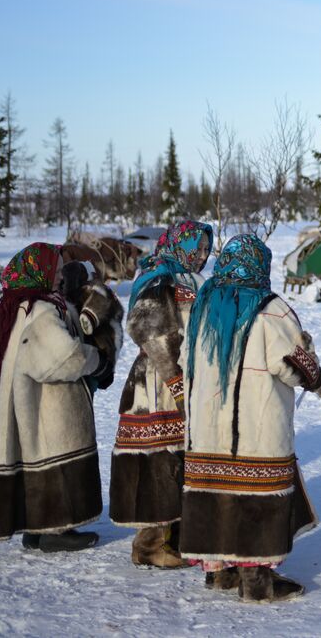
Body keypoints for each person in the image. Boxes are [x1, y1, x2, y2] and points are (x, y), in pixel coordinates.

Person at [177, 234, 321, 603]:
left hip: (206, 430)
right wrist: (319, 377)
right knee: (255, 495)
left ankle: (221, 573)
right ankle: (257, 582)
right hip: (255, 427)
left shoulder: (205, 305)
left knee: (217, 492)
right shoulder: (269, 308)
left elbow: (184, 361)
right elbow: (292, 363)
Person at [0, 242, 115, 551]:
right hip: (50, 403)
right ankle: (56, 529)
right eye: (52, 267)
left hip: (33, 401)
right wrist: (97, 361)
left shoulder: (28, 304)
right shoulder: (42, 310)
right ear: (37, 272)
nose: (58, 273)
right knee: (55, 454)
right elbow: (62, 356)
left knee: (36, 456)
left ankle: (36, 528)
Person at [109, 220, 214, 568]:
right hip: (157, 383)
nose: (200, 255)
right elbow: (147, 328)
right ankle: (150, 545)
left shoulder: (187, 278)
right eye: (194, 248)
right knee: (159, 460)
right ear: (178, 245)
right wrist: (176, 380)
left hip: (183, 379)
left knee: (180, 459)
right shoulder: (159, 277)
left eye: (204, 248)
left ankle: (177, 536)